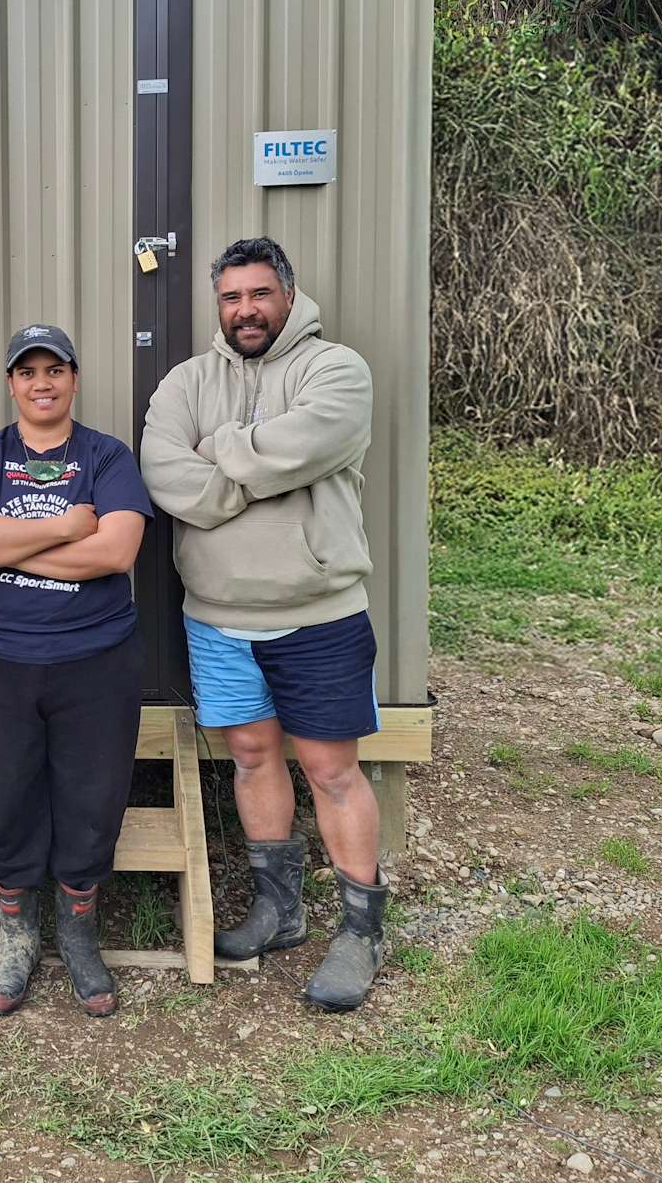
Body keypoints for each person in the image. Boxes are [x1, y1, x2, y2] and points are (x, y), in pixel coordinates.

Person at [139, 237, 388, 1012]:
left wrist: (223, 454)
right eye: (230, 298)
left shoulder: (336, 370)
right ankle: (279, 911)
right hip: (218, 618)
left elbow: (309, 442)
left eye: (258, 294)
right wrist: (252, 476)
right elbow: (165, 473)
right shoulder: (186, 381)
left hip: (317, 613)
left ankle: (359, 930)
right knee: (252, 758)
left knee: (330, 769)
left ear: (287, 294)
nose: (245, 310)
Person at [0, 325, 151, 1018]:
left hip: (97, 662)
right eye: (26, 371)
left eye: (53, 369)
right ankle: (17, 936)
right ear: (11, 384)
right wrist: (65, 529)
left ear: (73, 378)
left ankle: (80, 934)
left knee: (92, 801)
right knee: (9, 799)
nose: (41, 382)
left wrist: (6, 547)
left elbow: (116, 554)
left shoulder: (106, 456)